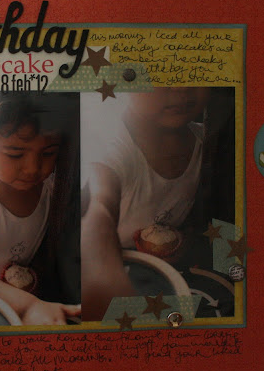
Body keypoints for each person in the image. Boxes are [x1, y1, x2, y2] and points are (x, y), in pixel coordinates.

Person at [0, 91, 81, 325]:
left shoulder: (51, 187)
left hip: (21, 295)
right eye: (15, 154)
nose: (33, 168)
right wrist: (28, 305)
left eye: (49, 152)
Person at [81, 87, 212, 320]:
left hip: (164, 274)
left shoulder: (208, 141)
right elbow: (99, 205)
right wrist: (103, 274)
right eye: (160, 77)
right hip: (116, 267)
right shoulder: (111, 147)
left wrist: (186, 242)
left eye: (197, 73)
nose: (181, 87)